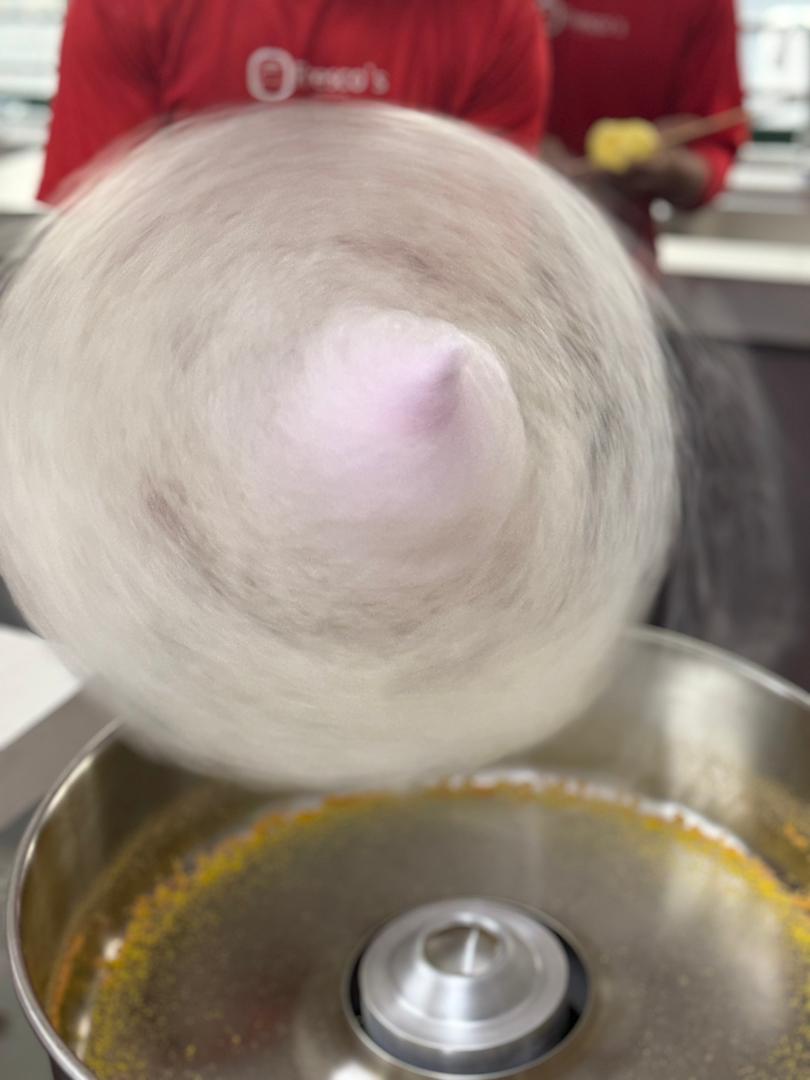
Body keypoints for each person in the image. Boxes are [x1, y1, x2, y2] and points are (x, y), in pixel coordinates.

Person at [38, 0, 550, 203]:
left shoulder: (497, 20)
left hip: (397, 352)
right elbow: (89, 246)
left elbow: (480, 263)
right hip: (171, 351)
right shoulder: (131, 6)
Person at [539, 0, 749, 246]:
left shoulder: (706, 6)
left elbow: (714, 143)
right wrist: (519, 152)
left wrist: (671, 166)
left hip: (620, 245)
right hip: (503, 225)